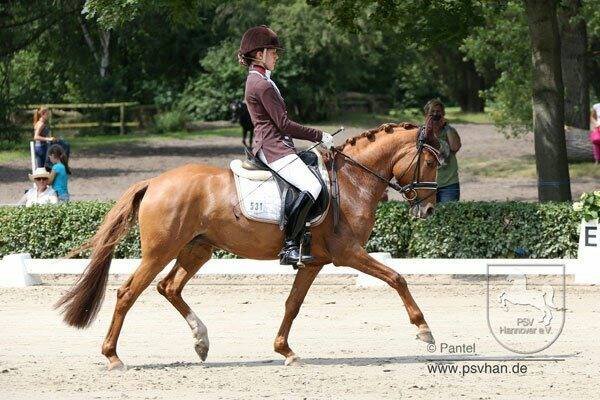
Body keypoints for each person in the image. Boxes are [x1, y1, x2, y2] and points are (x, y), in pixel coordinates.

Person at [238, 25, 334, 266]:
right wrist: (318, 135)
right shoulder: (261, 84)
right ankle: (290, 246)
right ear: (259, 54)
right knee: (312, 186)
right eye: (273, 51)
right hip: (274, 148)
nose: (276, 55)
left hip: (276, 145)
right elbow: (283, 123)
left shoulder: (260, 79)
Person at [423, 99, 461, 202]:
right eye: (432, 112)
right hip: (427, 184)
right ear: (426, 115)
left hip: (449, 184)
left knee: (448, 215)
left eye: (438, 112)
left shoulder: (450, 131)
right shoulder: (421, 133)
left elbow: (455, 147)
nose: (435, 115)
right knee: (428, 216)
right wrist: (428, 128)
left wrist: (446, 126)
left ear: (443, 114)